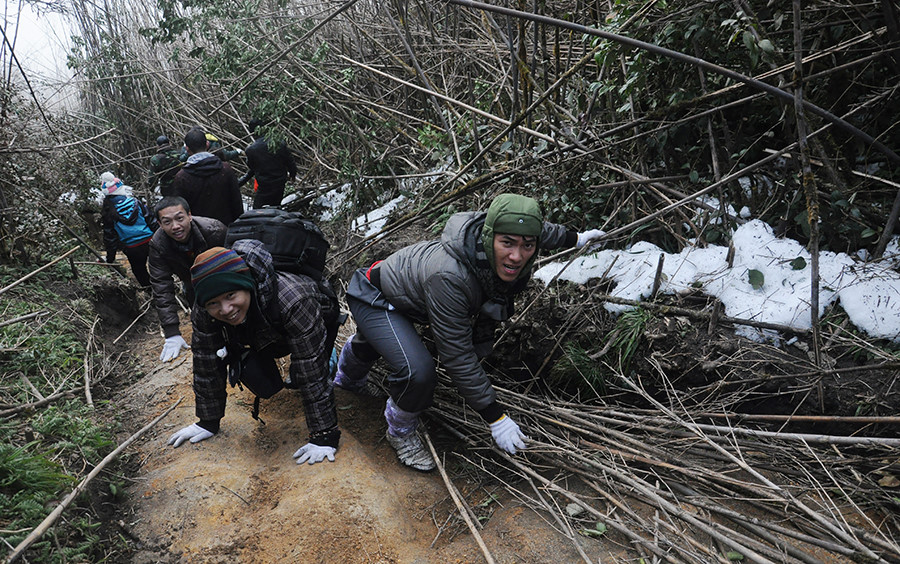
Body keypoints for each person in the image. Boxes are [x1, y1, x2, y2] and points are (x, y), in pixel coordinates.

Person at [333, 193, 605, 471]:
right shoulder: (451, 277)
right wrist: (495, 417)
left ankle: (356, 366)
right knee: (419, 371)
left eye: (527, 246)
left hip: (410, 296)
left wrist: (577, 238)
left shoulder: (501, 235)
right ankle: (398, 429)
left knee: (395, 344)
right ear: (490, 238)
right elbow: (457, 356)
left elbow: (537, 231)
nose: (516, 255)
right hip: (374, 296)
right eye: (507, 244)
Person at [167, 242, 341, 466]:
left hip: (314, 320)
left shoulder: (294, 299)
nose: (225, 309)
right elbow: (205, 362)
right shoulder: (204, 310)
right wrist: (207, 421)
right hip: (261, 326)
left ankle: (331, 355)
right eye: (214, 303)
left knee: (305, 373)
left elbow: (311, 367)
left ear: (246, 285)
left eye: (231, 295)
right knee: (257, 373)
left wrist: (324, 434)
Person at [149, 196, 227, 363]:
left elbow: (235, 265)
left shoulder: (214, 230)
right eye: (167, 222)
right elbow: (161, 285)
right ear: (160, 224)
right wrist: (171, 332)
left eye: (180, 218)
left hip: (222, 279)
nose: (176, 226)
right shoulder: (158, 245)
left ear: (189, 215)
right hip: (190, 283)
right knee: (204, 322)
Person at [172, 127, 244, 225]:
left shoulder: (181, 177)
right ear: (207, 144)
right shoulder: (226, 169)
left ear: (187, 149)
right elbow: (237, 203)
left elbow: (181, 212)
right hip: (227, 228)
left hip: (198, 231)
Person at [99, 172, 158, 287]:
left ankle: (150, 291)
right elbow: (152, 221)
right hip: (151, 241)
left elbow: (109, 237)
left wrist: (109, 259)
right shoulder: (136, 202)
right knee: (159, 267)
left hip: (132, 248)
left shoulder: (108, 211)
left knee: (139, 271)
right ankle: (165, 288)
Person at [238, 118, 297, 209]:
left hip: (264, 185)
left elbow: (251, 167)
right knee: (276, 207)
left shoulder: (251, 150)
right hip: (279, 182)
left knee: (257, 210)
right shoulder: (279, 143)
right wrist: (293, 174)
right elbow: (290, 161)